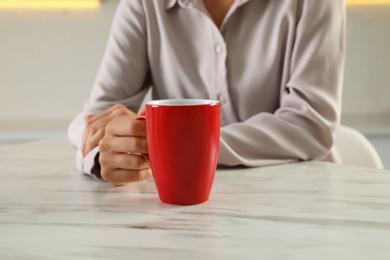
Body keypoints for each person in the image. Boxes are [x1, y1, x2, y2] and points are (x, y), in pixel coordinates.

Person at [68, 0, 346, 186]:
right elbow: (95, 117)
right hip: (181, 212)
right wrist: (103, 152)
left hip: (301, 200)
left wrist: (177, 143)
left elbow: (310, 123)